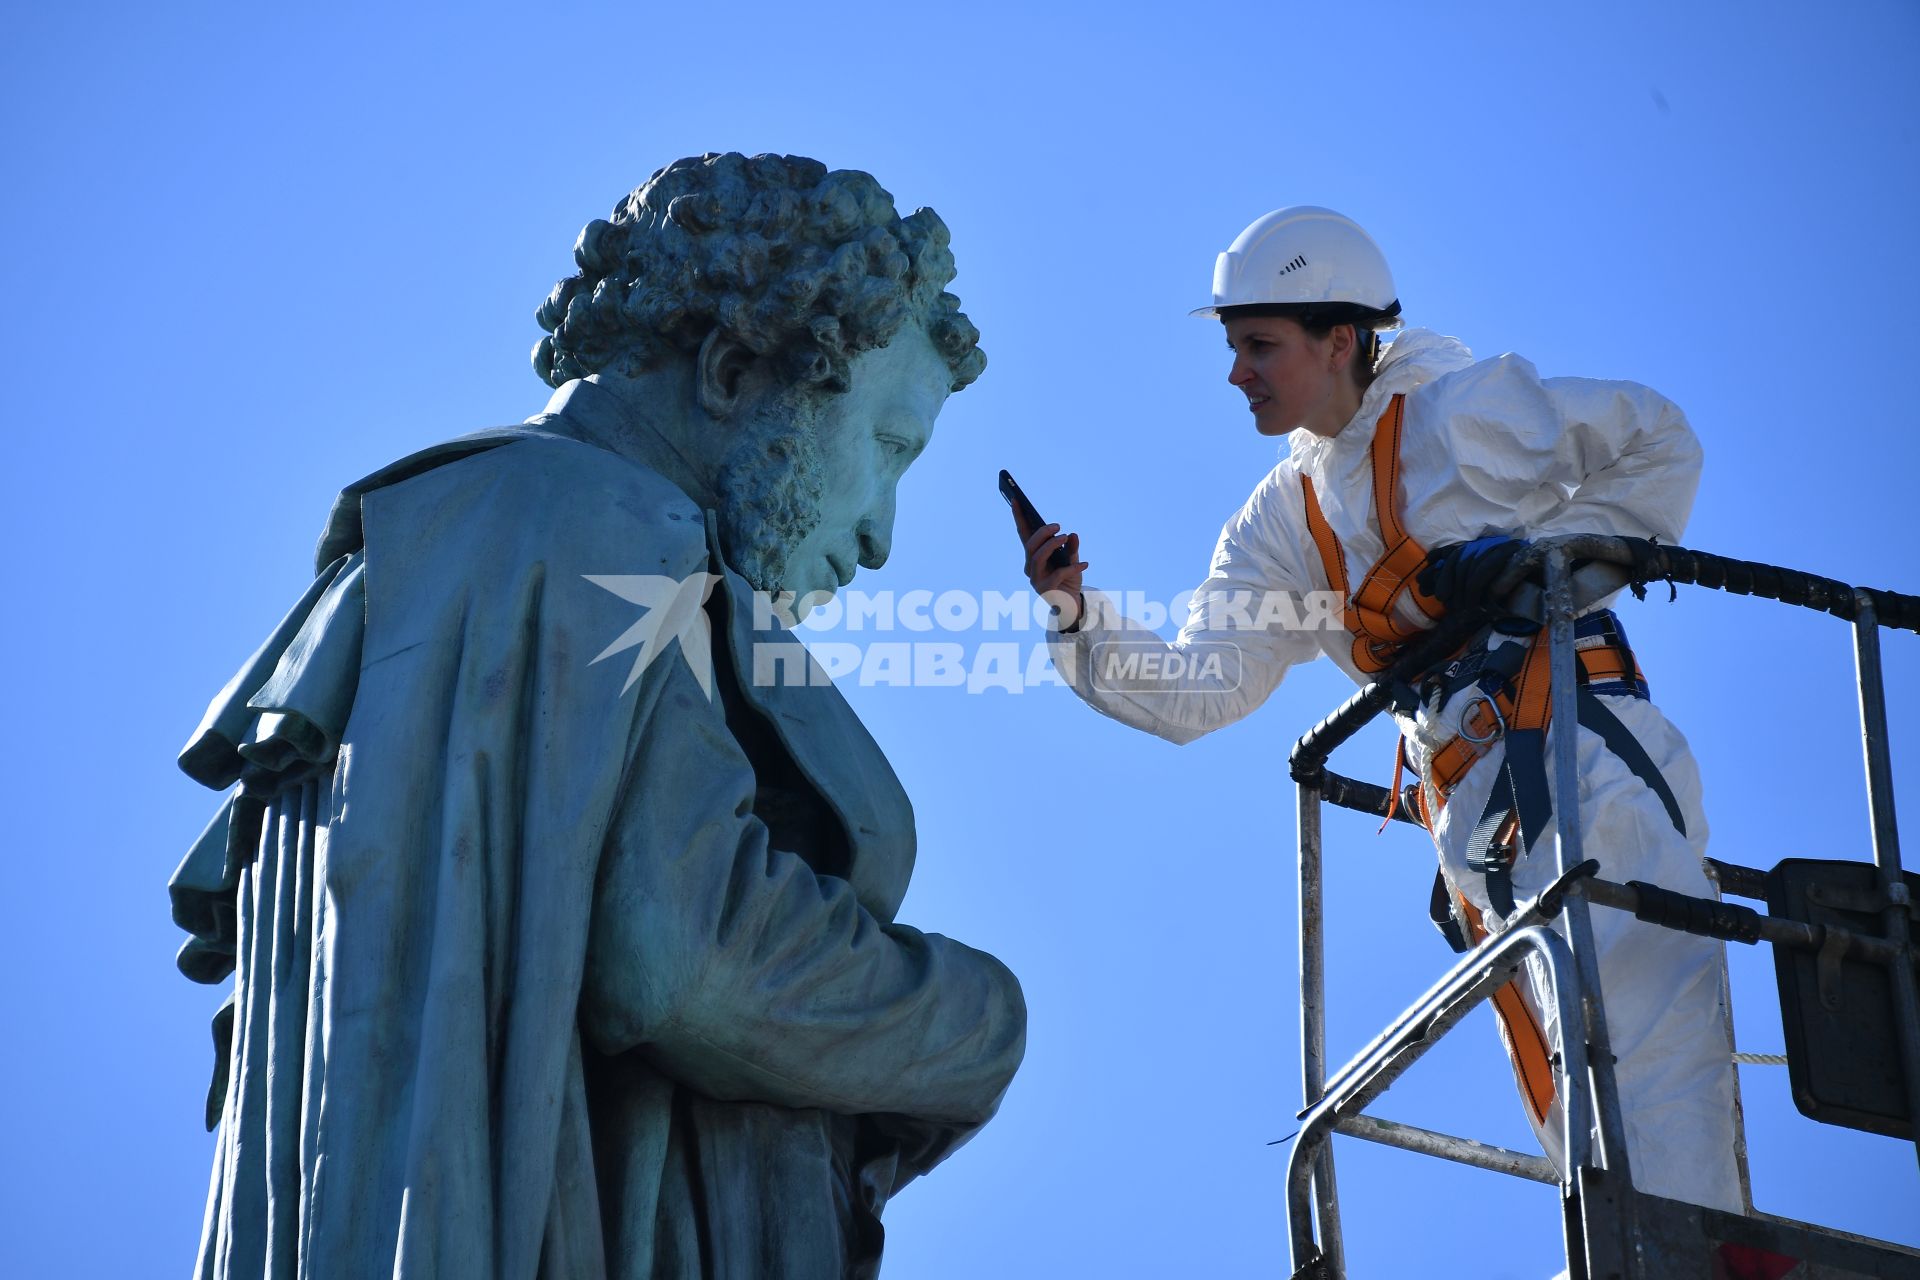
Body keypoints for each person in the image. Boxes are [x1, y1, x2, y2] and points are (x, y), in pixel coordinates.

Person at [169, 152, 1026, 1280]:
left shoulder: (456, 545)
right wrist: (977, 1019)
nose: (881, 534)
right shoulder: (598, 520)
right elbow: (677, 953)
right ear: (732, 369)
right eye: (888, 448)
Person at [1013, 205, 1742, 1213]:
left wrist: (1552, 563)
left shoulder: (1459, 414)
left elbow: (1659, 439)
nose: (1238, 373)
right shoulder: (1283, 523)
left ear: (1342, 337)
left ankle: (1704, 1251)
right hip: (1475, 818)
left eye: (1260, 346)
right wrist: (1076, 613)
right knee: (1561, 1074)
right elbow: (1203, 688)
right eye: (1235, 349)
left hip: (1581, 752)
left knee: (1647, 1038)